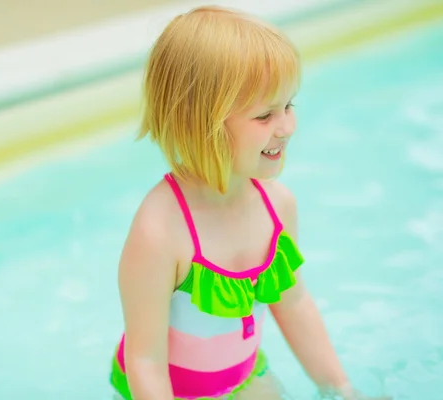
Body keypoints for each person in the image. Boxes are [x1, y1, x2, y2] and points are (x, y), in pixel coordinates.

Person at [109, 6, 390, 400]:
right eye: (265, 115)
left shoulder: (277, 207)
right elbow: (145, 363)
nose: (287, 127)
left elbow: (293, 305)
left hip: (243, 376)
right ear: (200, 124)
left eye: (289, 106)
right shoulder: (160, 233)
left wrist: (339, 386)